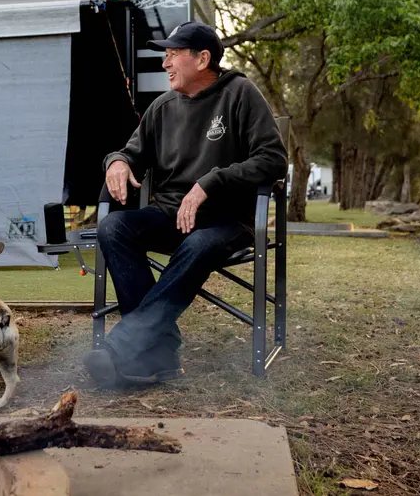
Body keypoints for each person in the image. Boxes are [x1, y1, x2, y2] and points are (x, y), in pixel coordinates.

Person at [83, 21, 288, 388]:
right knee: (113, 226)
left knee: (198, 243)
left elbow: (273, 159)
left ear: (202, 59)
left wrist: (211, 182)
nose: (165, 63)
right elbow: (130, 153)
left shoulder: (241, 94)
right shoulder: (162, 107)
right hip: (169, 215)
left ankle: (127, 345)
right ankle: (159, 349)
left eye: (173, 54)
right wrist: (116, 162)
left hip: (226, 221)